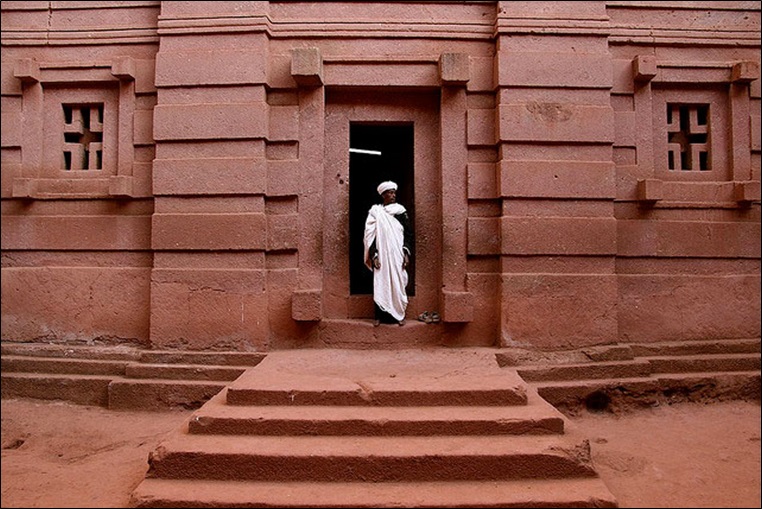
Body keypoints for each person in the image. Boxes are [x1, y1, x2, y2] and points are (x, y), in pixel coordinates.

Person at [363, 181, 413, 326]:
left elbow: (408, 234)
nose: (393, 195)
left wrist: (406, 253)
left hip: (397, 252)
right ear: (383, 195)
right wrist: (374, 255)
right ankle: (378, 315)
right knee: (381, 282)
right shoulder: (375, 213)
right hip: (382, 254)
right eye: (390, 193)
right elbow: (370, 237)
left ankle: (399, 315)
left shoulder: (400, 211)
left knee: (398, 280)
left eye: (394, 192)